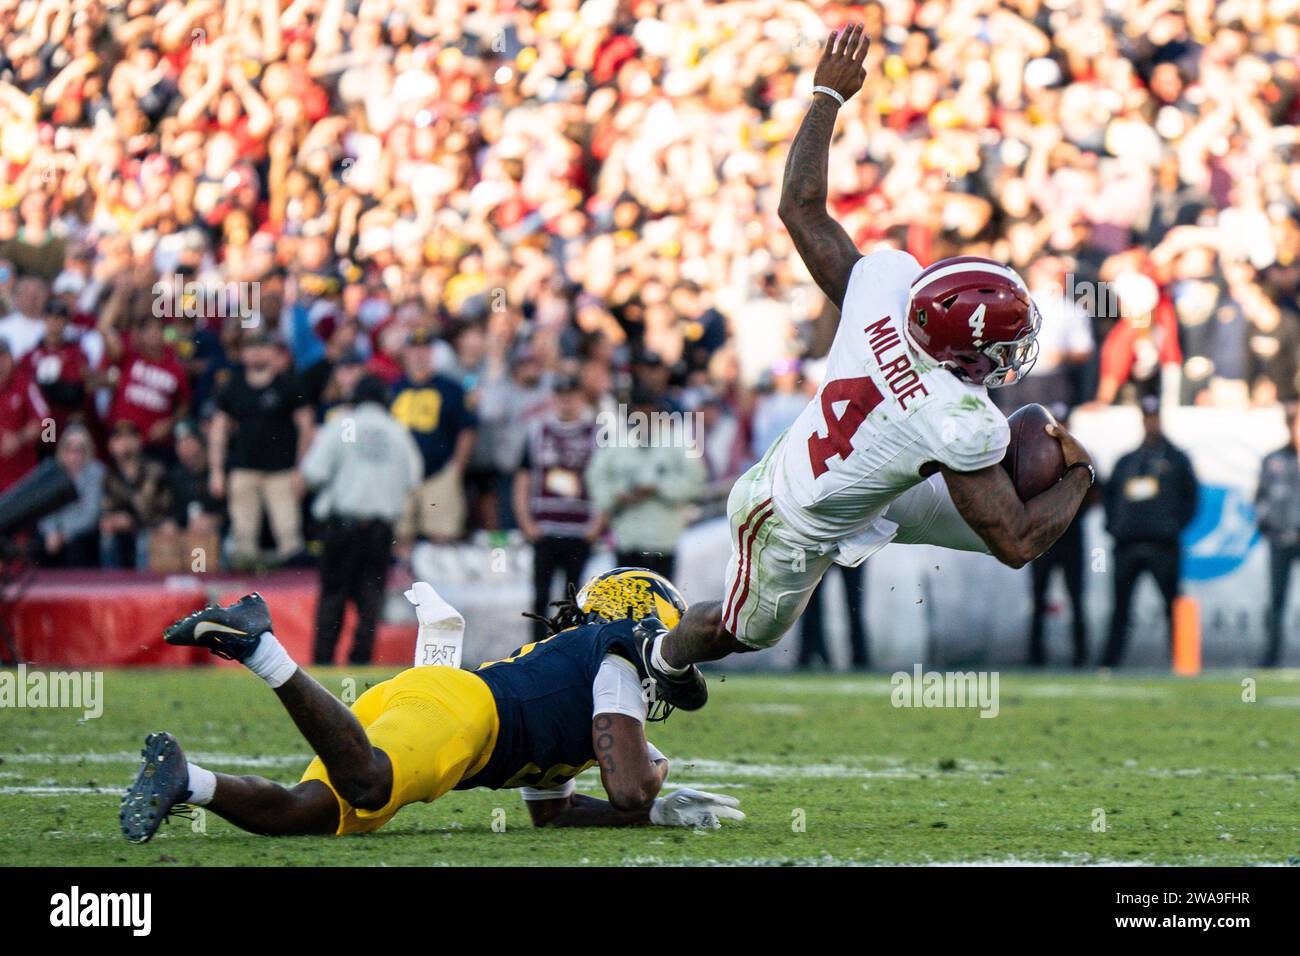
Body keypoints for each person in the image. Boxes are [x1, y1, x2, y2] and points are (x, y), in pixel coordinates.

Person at [636, 26, 1095, 710]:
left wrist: (826, 94)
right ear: (964, 350)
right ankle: (659, 652)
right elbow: (1019, 545)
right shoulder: (957, 419)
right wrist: (1085, 473)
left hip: (881, 469)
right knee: (743, 632)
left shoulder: (886, 287)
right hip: (793, 514)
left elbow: (800, 207)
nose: (1009, 359)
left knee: (1024, 467)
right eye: (1001, 346)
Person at [120, 570, 743, 842]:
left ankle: (187, 781)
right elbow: (628, 786)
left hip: (443, 706)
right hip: (464, 714)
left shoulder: (580, 676)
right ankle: (259, 645)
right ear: (640, 625)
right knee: (366, 784)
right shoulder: (613, 657)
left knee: (309, 813)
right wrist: (652, 789)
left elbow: (553, 816)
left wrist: (656, 817)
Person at [300, 375, 423, 665]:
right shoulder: (398, 431)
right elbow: (414, 477)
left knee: (333, 596)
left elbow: (313, 472)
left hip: (342, 525)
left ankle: (323, 661)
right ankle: (360, 660)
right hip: (380, 529)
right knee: (371, 599)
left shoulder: (342, 424)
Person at [1099, 396, 1199, 668]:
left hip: (1163, 545)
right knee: (1120, 609)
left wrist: (1173, 526)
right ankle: (1109, 663)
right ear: (1142, 420)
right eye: (1147, 418)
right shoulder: (1127, 460)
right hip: (1127, 544)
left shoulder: (1177, 459)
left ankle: (1182, 661)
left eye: (1155, 417)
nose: (1151, 422)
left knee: (1172, 606)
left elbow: (1192, 498)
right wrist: (1114, 527)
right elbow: (1108, 497)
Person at [208, 332, 314, 567]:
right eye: (250, 348)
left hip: (282, 470)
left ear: (271, 351)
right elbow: (219, 429)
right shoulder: (233, 386)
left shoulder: (289, 383)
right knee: (243, 542)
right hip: (244, 469)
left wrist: (302, 469)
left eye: (261, 346)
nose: (255, 352)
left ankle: (294, 596)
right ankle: (244, 597)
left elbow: (306, 426)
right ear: (243, 353)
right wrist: (216, 471)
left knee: (290, 538)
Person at [585, 390, 707, 580]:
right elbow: (595, 477)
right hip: (628, 539)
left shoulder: (678, 443)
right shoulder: (616, 444)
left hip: (663, 540)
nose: (644, 419)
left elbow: (696, 482)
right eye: (639, 413)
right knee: (627, 605)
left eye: (649, 413)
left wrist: (660, 488)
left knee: (661, 605)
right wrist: (617, 495)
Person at [514, 374, 601, 642]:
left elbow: (605, 480)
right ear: (553, 398)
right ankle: (534, 650)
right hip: (545, 528)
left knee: (573, 598)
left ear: (581, 398)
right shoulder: (537, 431)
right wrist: (525, 522)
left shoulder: (596, 434)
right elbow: (523, 477)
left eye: (572, 396)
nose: (566, 402)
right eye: (561, 396)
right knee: (540, 594)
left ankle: (568, 648)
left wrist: (597, 525)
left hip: (579, 529)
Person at [1027, 407, 1097, 668]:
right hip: (1043, 535)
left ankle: (1081, 655)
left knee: (1077, 597)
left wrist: (1068, 512)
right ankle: (1035, 655)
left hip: (1069, 535)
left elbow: (1094, 494)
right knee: (1038, 597)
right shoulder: (1033, 455)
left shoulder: (1080, 455)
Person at [1253, 402, 1300, 667]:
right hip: (1281, 540)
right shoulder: (1274, 460)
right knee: (1276, 600)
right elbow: (1260, 499)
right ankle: (1271, 656)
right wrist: (1270, 527)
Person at [36, 424, 103, 568]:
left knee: (76, 548)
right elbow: (43, 510)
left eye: (79, 451)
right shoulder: (52, 473)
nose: (74, 456)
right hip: (54, 533)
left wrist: (65, 534)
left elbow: (91, 514)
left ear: (87, 451)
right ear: (62, 451)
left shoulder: (96, 472)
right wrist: (51, 532)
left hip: (80, 531)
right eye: (69, 450)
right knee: (38, 544)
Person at [0, 337, 47, 494]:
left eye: (3, 356)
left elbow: (46, 421)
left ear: (10, 358)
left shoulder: (24, 382)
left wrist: (19, 438)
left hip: (21, 480)